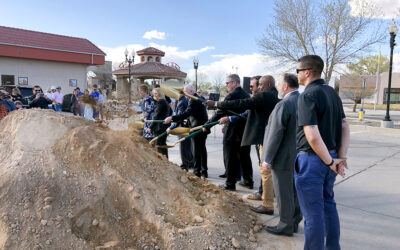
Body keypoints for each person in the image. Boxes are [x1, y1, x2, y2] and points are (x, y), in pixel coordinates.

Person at [295, 55, 350, 250]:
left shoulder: (308, 95)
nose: (297, 74)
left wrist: (329, 162)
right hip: (331, 158)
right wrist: (339, 158)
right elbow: (345, 126)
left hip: (313, 161)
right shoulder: (332, 93)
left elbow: (312, 135)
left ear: (307, 72)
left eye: (298, 71)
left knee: (313, 215)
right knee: (328, 205)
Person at [204, 75, 279, 200]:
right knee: (252, 160)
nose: (257, 88)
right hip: (255, 134)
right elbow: (247, 112)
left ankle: (265, 200)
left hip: (253, 134)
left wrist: (217, 104)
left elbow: (241, 104)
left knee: (263, 167)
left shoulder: (262, 96)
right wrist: (229, 118)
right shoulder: (273, 97)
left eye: (259, 85)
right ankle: (260, 190)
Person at [260, 73, 302, 236]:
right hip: (300, 156)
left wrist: (267, 159)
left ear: (285, 86)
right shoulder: (303, 101)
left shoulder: (284, 104)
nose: (277, 86)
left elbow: (275, 133)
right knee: (295, 192)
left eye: (279, 83)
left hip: (284, 157)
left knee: (284, 192)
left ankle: (285, 224)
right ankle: (294, 222)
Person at [204, 74, 250, 191]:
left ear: (235, 83)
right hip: (245, 131)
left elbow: (220, 112)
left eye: (227, 83)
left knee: (230, 157)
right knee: (244, 157)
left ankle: (230, 183)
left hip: (233, 131)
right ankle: (248, 180)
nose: (226, 86)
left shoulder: (231, 96)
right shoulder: (246, 95)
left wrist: (207, 124)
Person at [164, 84, 208, 177]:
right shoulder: (195, 98)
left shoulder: (193, 100)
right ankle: (204, 171)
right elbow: (191, 114)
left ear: (191, 92)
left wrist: (172, 118)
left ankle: (197, 172)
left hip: (198, 127)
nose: (184, 94)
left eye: (185, 92)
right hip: (201, 126)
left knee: (197, 150)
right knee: (201, 149)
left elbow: (186, 113)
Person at [165, 90, 194, 171]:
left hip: (182, 126)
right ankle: (190, 163)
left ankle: (185, 165)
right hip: (184, 125)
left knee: (184, 147)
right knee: (187, 146)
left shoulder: (182, 102)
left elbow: (179, 117)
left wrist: (171, 128)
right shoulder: (181, 100)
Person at [149, 88, 170, 158]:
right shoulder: (165, 102)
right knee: (162, 145)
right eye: (154, 94)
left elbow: (156, 116)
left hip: (160, 128)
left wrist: (150, 127)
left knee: (159, 145)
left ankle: (163, 162)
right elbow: (171, 112)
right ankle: (166, 162)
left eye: (156, 94)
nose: (154, 95)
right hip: (164, 127)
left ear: (160, 94)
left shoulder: (160, 102)